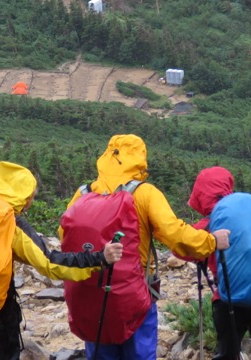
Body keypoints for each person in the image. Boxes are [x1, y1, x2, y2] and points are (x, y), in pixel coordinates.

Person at [62, 134, 231, 360]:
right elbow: (175, 235)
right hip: (135, 291)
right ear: (140, 157)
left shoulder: (83, 193)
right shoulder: (144, 193)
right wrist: (210, 241)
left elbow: (64, 234)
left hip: (90, 292)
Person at [0, 161, 124, 360]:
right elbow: (49, 263)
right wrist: (99, 258)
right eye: (31, 196)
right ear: (23, 196)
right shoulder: (7, 219)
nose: (31, 201)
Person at [187, 166, 251, 360]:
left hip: (229, 301)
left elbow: (181, 250)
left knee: (227, 355)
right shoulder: (250, 215)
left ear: (200, 195)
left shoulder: (207, 226)